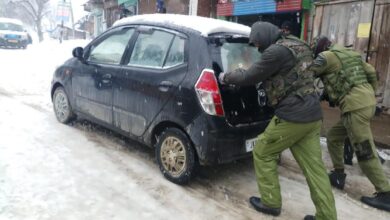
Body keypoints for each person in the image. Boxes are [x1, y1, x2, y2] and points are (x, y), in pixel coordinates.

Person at [218, 22, 337, 220]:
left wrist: (225, 77)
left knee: (263, 152)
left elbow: (249, 75)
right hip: (312, 115)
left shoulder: (275, 52)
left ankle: (271, 202)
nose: (257, 48)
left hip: (293, 116)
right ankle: (327, 216)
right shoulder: (298, 44)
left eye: (257, 43)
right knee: (315, 169)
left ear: (264, 37)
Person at [310, 36, 390, 212]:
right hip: (364, 103)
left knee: (364, 150)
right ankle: (338, 174)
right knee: (334, 137)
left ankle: (385, 193)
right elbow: (370, 72)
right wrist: (369, 93)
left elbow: (307, 74)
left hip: (355, 107)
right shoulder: (349, 53)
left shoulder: (325, 57)